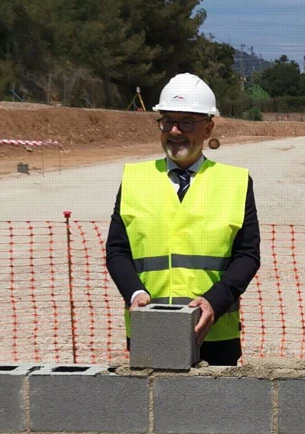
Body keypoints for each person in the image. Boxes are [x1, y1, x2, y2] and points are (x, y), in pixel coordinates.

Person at [105, 73, 260, 365]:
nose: (175, 131)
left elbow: (248, 255)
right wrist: (134, 293)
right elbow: (117, 250)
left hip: (215, 334)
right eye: (167, 121)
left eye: (187, 122)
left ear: (209, 127)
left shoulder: (235, 182)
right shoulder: (134, 179)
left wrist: (215, 301)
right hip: (150, 328)